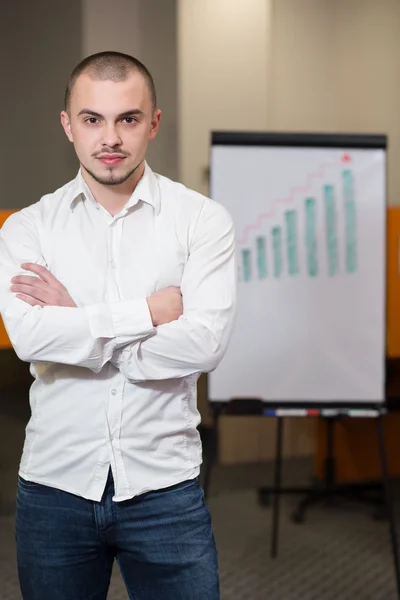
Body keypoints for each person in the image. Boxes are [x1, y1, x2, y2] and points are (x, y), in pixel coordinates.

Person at [0, 51, 236, 600]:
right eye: (92, 119)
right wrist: (147, 314)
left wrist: (80, 323)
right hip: (55, 486)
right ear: (68, 126)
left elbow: (205, 343)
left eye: (128, 119)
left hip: (165, 488)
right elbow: (31, 339)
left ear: (153, 123)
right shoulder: (28, 228)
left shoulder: (201, 220)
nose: (110, 137)